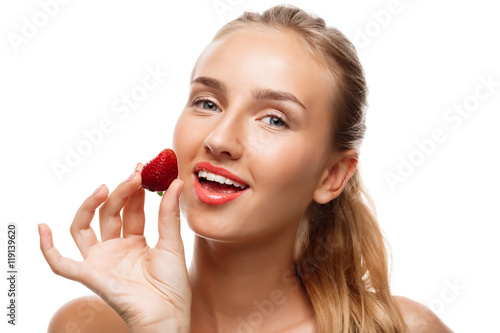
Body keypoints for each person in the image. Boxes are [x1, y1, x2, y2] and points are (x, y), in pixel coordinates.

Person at [39, 5, 453, 333]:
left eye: (274, 119)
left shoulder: (402, 329)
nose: (219, 139)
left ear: (332, 176)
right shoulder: (89, 326)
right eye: (207, 103)